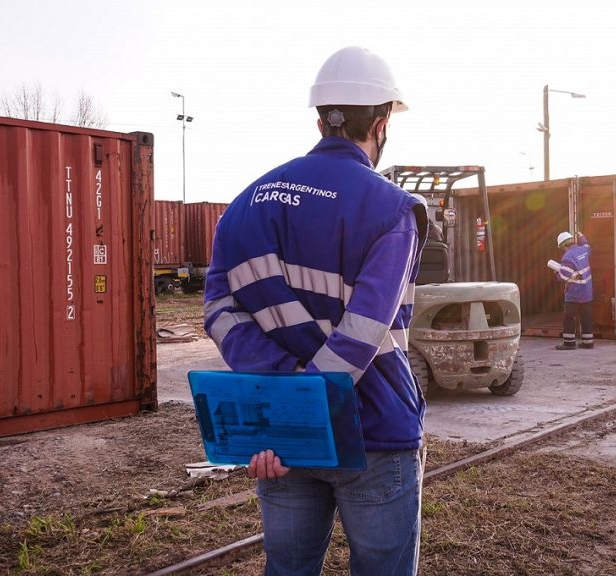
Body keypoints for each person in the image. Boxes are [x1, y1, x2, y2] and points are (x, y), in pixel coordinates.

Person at [203, 46, 428, 576]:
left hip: (282, 434)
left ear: (320, 118)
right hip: (376, 430)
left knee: (287, 569)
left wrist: (286, 400)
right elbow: (367, 327)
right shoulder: (392, 207)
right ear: (381, 121)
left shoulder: (245, 203)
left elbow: (217, 307)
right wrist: (312, 401)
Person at [553, 231, 594, 350]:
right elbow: (586, 244)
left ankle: (569, 343)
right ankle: (588, 342)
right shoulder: (584, 250)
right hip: (587, 291)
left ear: (563, 245)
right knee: (586, 317)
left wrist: (557, 274)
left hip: (575, 292)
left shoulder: (567, 257)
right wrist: (581, 235)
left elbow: (564, 276)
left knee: (569, 317)